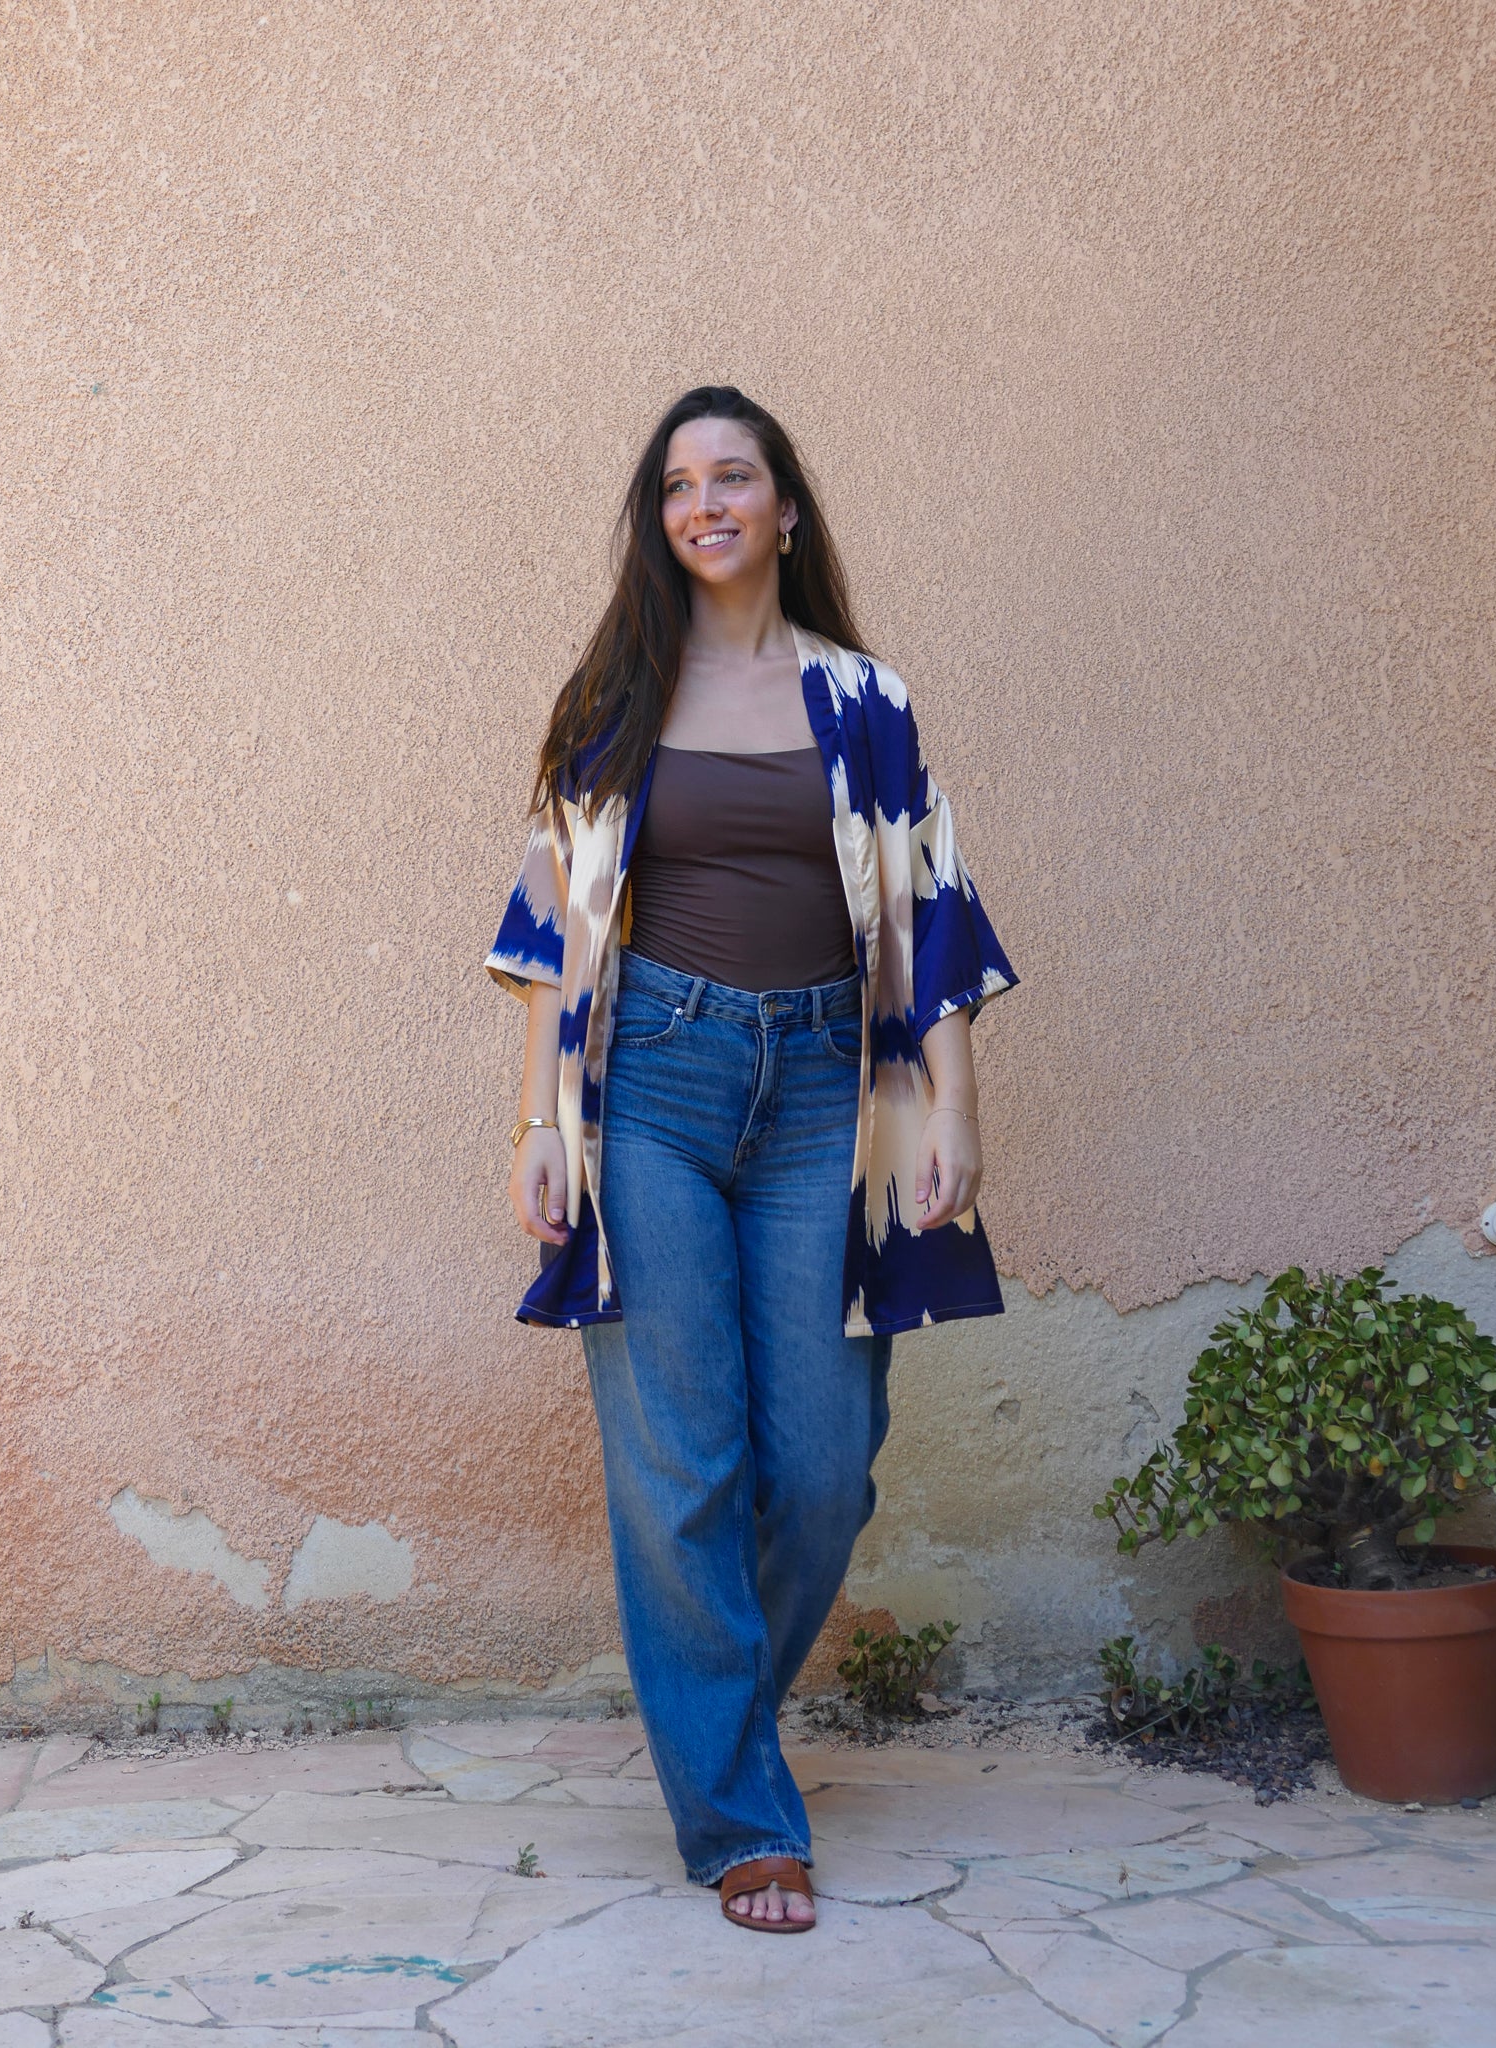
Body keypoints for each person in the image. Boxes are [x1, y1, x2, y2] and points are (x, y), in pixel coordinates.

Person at [485, 386, 1017, 1932]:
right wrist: (538, 1124)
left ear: (787, 508)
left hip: (820, 1106)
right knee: (684, 1463)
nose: (705, 502)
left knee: (823, 1468)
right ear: (659, 523)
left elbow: (933, 912)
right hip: (651, 1080)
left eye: (735, 477)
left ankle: (715, 1714)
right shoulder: (615, 698)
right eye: (677, 485)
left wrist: (954, 1102)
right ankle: (738, 1818)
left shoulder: (867, 700)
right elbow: (547, 936)